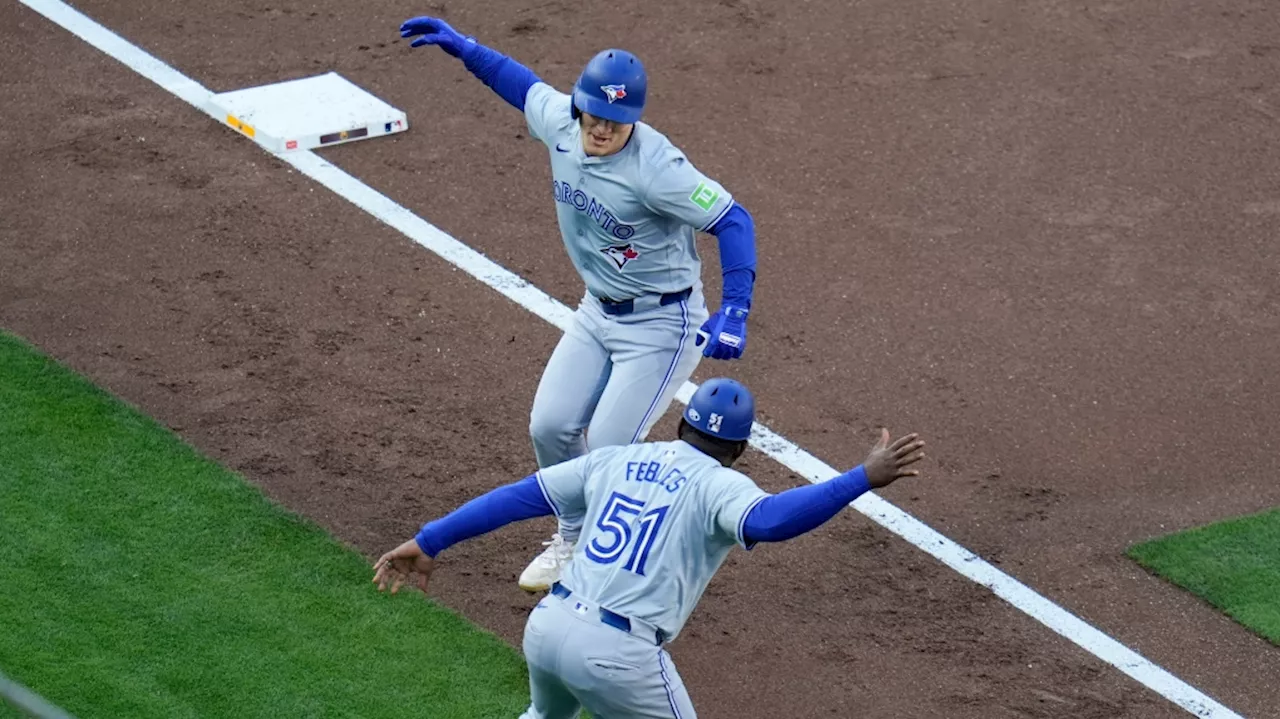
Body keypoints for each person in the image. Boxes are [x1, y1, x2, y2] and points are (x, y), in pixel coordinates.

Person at [398, 16, 762, 592]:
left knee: (608, 451)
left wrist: (736, 307)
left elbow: (734, 220)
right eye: (593, 114)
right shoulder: (563, 122)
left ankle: (600, 560)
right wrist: (465, 48)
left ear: (633, 119)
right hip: (597, 310)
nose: (600, 128)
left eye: (615, 121)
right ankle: (573, 535)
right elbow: (518, 82)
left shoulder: (658, 170)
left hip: (662, 325)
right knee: (550, 427)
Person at [372, 378, 927, 718]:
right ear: (738, 447)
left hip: (547, 625)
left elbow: (519, 497)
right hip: (619, 655)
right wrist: (861, 477)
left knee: (546, 716)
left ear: (683, 426)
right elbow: (774, 521)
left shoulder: (614, 460)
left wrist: (429, 541)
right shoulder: (721, 484)